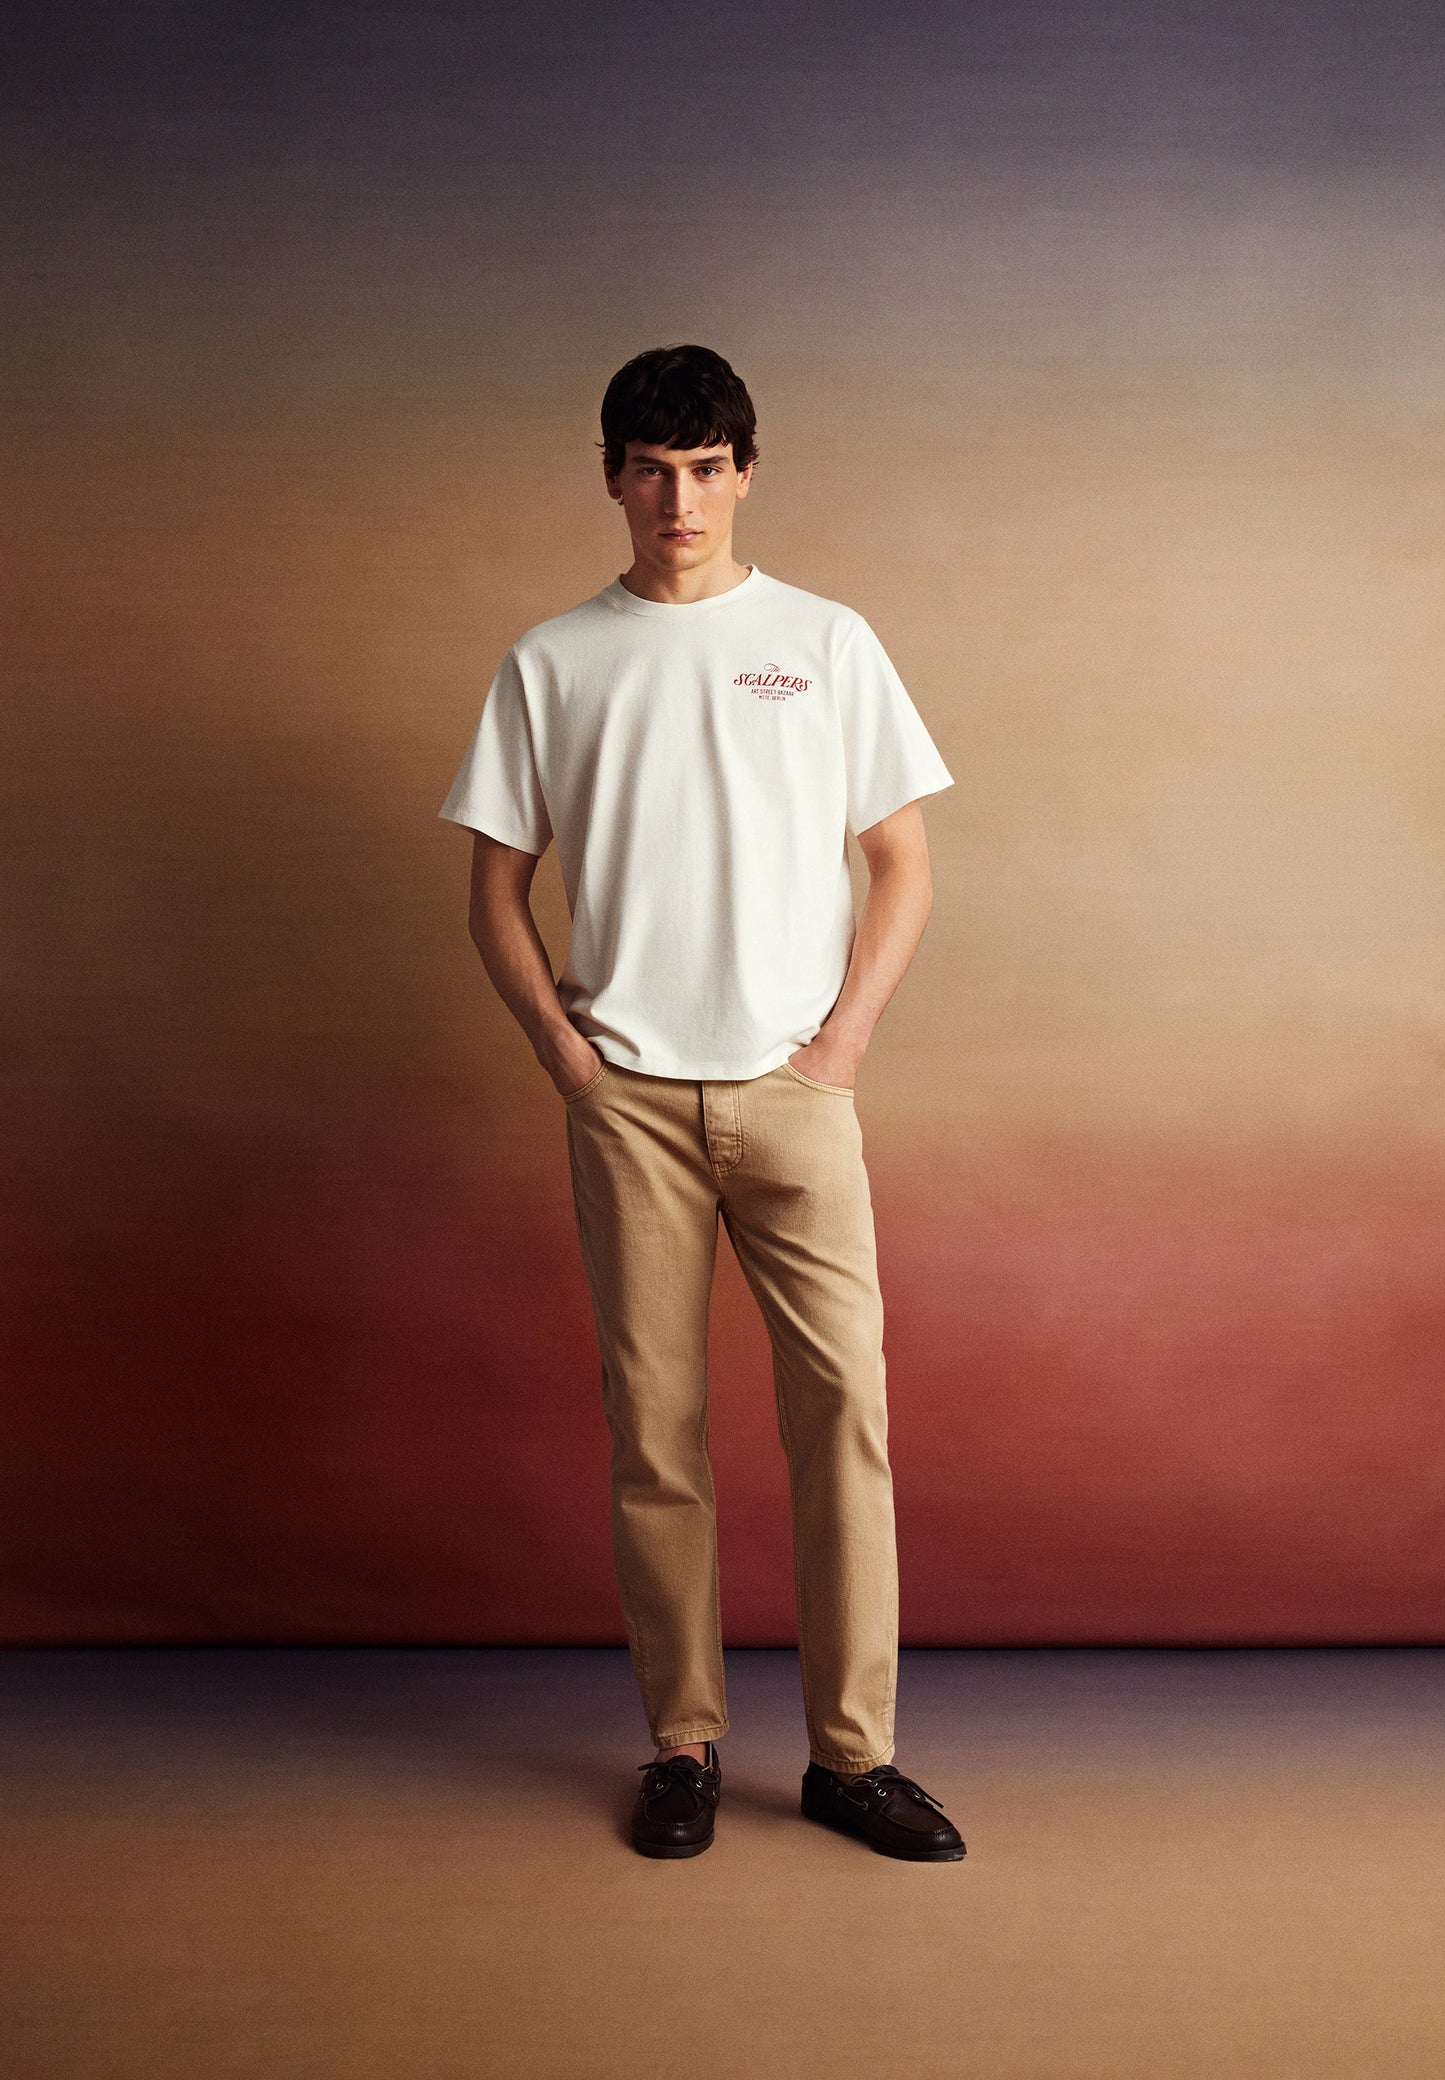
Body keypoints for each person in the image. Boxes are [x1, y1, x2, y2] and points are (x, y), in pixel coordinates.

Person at [439, 344, 965, 1864]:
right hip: (629, 1102)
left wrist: (841, 1045)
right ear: (611, 477)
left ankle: (853, 1759)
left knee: (843, 1415)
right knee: (655, 1431)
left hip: (796, 1094)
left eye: (707, 468)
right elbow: (492, 890)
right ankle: (682, 1744)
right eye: (652, 470)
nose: (680, 499)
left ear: (745, 473)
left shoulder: (825, 641)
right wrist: (568, 1060)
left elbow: (903, 864)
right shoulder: (553, 661)